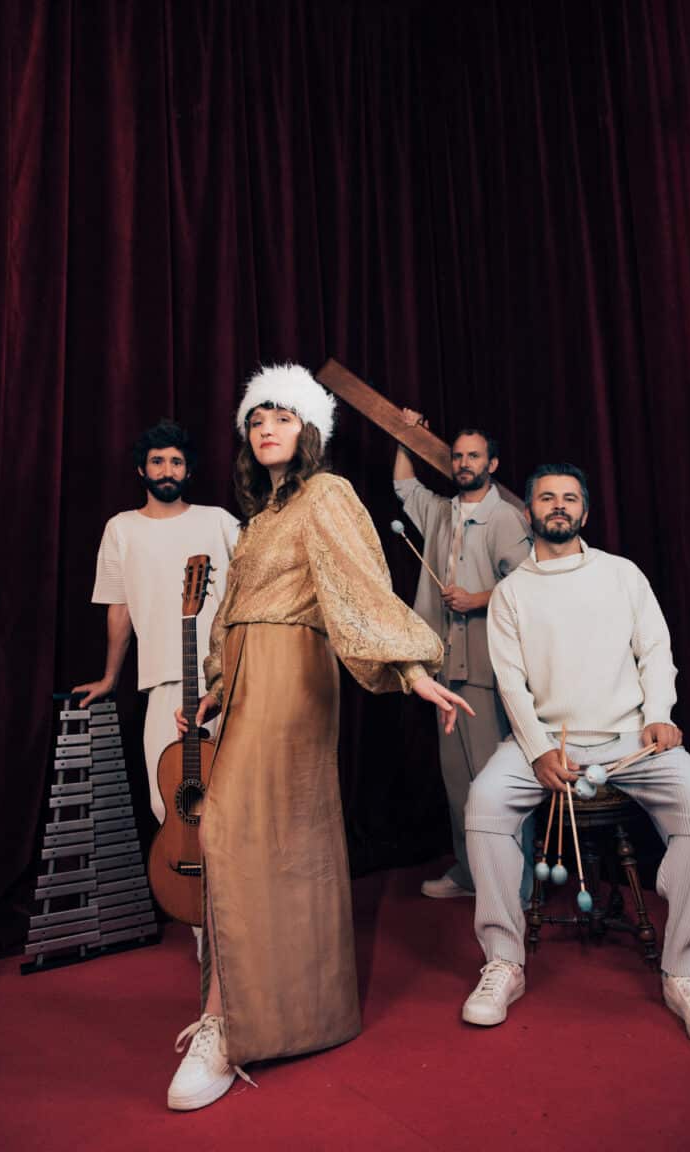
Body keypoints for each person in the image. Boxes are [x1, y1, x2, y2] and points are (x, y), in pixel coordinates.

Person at [167, 363, 473, 1111]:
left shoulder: (327, 494)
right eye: (256, 418)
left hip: (292, 677)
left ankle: (227, 1026)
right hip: (246, 678)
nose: (267, 428)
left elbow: (362, 587)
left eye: (282, 416)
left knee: (232, 831)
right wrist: (214, 689)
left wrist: (410, 669)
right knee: (257, 843)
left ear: (308, 430)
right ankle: (260, 1014)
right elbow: (233, 612)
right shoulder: (258, 519)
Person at [461, 463, 690, 1047]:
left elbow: (655, 649)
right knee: (484, 802)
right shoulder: (511, 593)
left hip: (632, 738)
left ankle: (684, 971)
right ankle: (503, 960)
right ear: (528, 511)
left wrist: (660, 713)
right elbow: (510, 682)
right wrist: (537, 751)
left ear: (585, 510)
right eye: (547, 497)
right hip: (546, 740)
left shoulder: (622, 574)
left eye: (570, 497)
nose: (559, 505)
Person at [74, 419, 239, 825]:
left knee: (234, 800)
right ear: (141, 469)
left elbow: (254, 589)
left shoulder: (218, 520)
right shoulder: (121, 529)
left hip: (229, 678)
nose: (167, 470)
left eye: (176, 462)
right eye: (158, 461)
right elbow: (119, 608)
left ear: (189, 470)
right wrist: (110, 678)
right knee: (168, 804)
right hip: (164, 680)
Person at [394, 413, 531, 898]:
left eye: (474, 456)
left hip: (486, 666)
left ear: (492, 463)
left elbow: (529, 584)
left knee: (497, 780)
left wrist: (477, 599)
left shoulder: (506, 517)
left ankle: (515, 885)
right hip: (442, 665)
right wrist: (405, 437)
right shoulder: (442, 511)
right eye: (457, 456)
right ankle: (472, 874)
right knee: (458, 782)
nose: (464, 463)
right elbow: (404, 485)